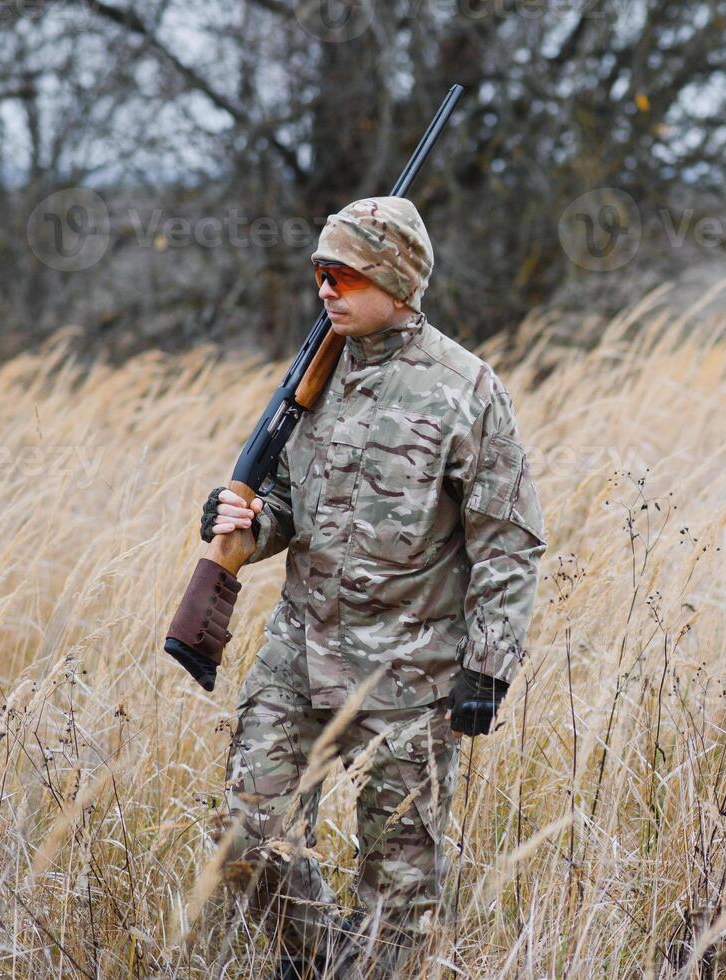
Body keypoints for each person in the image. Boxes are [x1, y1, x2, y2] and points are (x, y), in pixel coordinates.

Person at [201, 196, 547, 977]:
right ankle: (322, 960)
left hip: (412, 670)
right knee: (248, 838)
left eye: (346, 275)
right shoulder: (311, 379)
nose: (327, 289)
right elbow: (288, 507)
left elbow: (508, 540)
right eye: (321, 273)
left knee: (400, 891)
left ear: (397, 283)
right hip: (301, 654)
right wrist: (244, 525)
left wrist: (488, 668)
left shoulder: (465, 388)